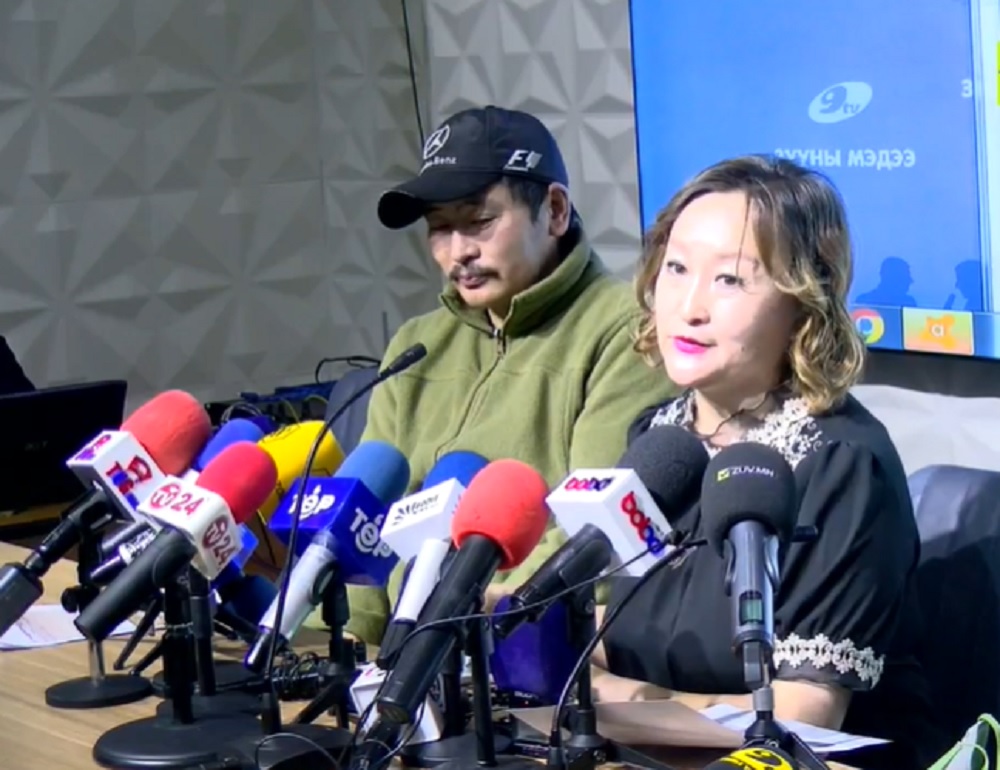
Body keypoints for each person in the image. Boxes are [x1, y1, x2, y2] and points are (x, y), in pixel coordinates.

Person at [591, 155, 941, 770]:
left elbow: (801, 715)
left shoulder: (844, 465)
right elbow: (624, 632)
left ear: (804, 301)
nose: (689, 305)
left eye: (729, 280)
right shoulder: (660, 438)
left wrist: (606, 701)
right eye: (676, 268)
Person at [341, 106, 677, 644]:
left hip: (520, 648)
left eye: (479, 222)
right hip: (395, 657)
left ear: (555, 211)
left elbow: (593, 542)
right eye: (439, 228)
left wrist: (473, 616)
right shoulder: (415, 345)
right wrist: (348, 642)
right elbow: (366, 528)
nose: (458, 252)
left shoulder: (627, 334)